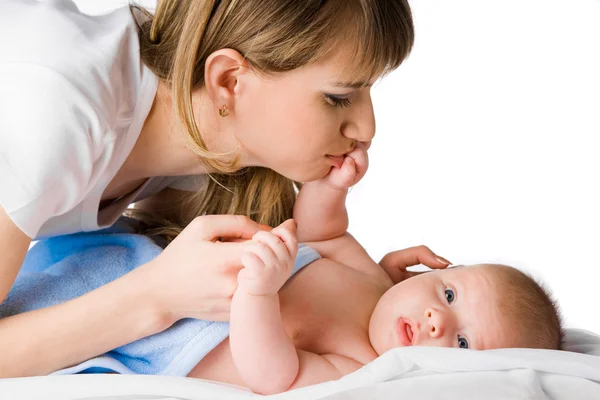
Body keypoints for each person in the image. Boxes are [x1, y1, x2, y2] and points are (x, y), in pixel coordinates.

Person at [0, 0, 417, 377]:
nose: (367, 128)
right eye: (339, 96)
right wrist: (155, 297)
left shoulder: (200, 151)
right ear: (230, 80)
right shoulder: (55, 111)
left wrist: (373, 300)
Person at [0, 147, 563, 394]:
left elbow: (275, 375)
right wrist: (329, 185)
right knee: (89, 252)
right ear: (430, 269)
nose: (438, 319)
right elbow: (323, 232)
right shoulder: (372, 280)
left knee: (53, 312)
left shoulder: (363, 368)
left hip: (177, 335)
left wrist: (259, 297)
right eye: (448, 291)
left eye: (463, 344)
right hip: (164, 265)